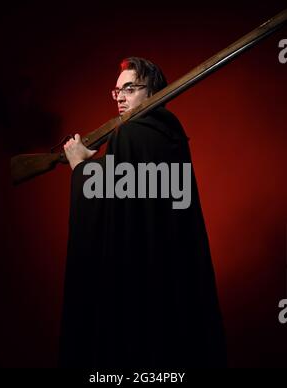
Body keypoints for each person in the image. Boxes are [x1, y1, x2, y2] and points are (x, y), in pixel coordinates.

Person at [59, 57, 227, 368]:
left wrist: (80, 167)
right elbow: (133, 197)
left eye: (130, 88)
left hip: (135, 285)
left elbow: (106, 208)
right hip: (172, 284)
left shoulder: (131, 135)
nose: (120, 97)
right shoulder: (171, 136)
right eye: (117, 91)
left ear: (151, 93)